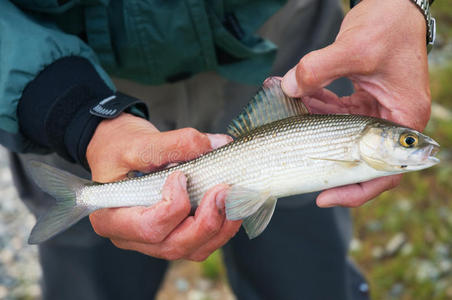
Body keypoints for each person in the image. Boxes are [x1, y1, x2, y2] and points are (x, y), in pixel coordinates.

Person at [0, 0, 434, 299]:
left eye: (408, 141)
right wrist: (75, 116)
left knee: (307, 276)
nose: (416, 145)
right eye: (408, 142)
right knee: (94, 281)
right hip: (78, 86)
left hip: (287, 52)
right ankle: (82, 197)